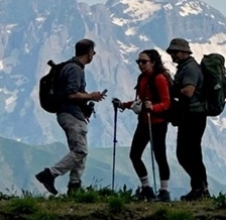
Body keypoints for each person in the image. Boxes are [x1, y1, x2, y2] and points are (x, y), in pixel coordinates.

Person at [35, 39, 106, 195]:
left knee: (80, 152)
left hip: (72, 114)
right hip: (71, 114)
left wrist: (87, 102)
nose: (93, 54)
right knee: (80, 151)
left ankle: (74, 186)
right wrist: (91, 96)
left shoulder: (69, 67)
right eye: (93, 52)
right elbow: (71, 94)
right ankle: (50, 174)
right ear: (89, 52)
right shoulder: (75, 70)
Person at [115, 49, 173, 202]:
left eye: (144, 61)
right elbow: (139, 102)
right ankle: (147, 188)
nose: (140, 64)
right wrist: (123, 105)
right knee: (135, 155)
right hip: (144, 121)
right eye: (138, 62)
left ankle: (163, 191)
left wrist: (153, 107)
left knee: (159, 156)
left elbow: (166, 103)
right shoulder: (142, 78)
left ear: (153, 62)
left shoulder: (159, 78)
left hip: (158, 123)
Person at [167, 38, 209, 200]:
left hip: (194, 116)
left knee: (187, 153)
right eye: (171, 52)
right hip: (191, 116)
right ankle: (200, 188)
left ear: (184, 52)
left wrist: (172, 92)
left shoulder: (190, 69)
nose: (172, 55)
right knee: (191, 153)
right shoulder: (186, 67)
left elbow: (188, 91)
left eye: (175, 52)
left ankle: (200, 188)